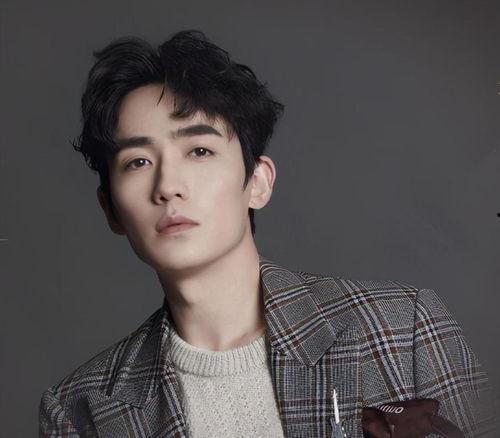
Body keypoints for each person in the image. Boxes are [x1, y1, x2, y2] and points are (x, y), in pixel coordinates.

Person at [39, 30, 497, 438]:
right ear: (111, 209)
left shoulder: (402, 328)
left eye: (199, 150)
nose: (168, 186)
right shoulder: (80, 409)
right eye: (138, 162)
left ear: (257, 182)